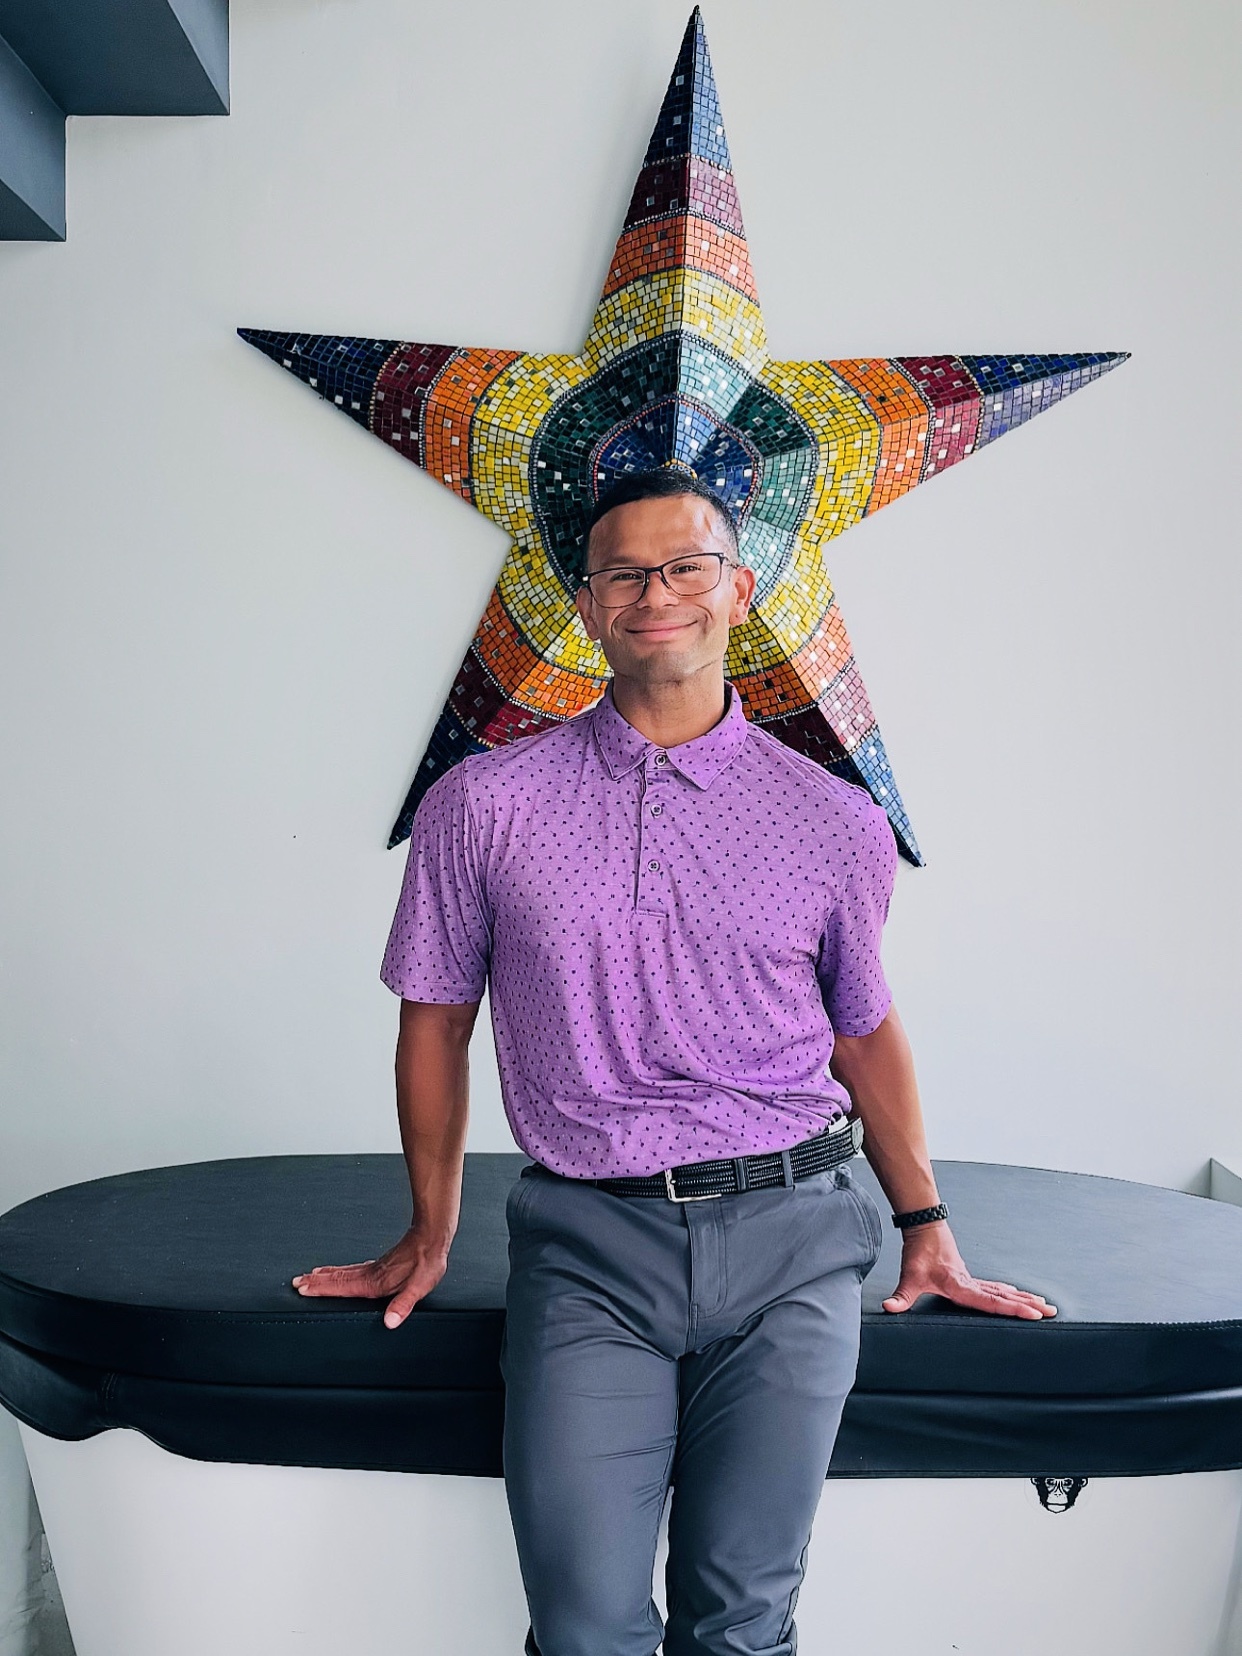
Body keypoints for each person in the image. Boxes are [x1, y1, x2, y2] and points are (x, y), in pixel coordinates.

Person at [292, 469, 1056, 1656]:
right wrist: (429, 1230)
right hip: (587, 1247)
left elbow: (863, 1032)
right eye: (625, 573)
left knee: (742, 1624)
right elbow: (434, 1021)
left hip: (796, 1239)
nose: (658, 594)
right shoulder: (481, 805)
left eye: (688, 566)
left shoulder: (836, 819)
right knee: (583, 1625)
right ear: (587, 606)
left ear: (739, 590)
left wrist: (928, 1226)